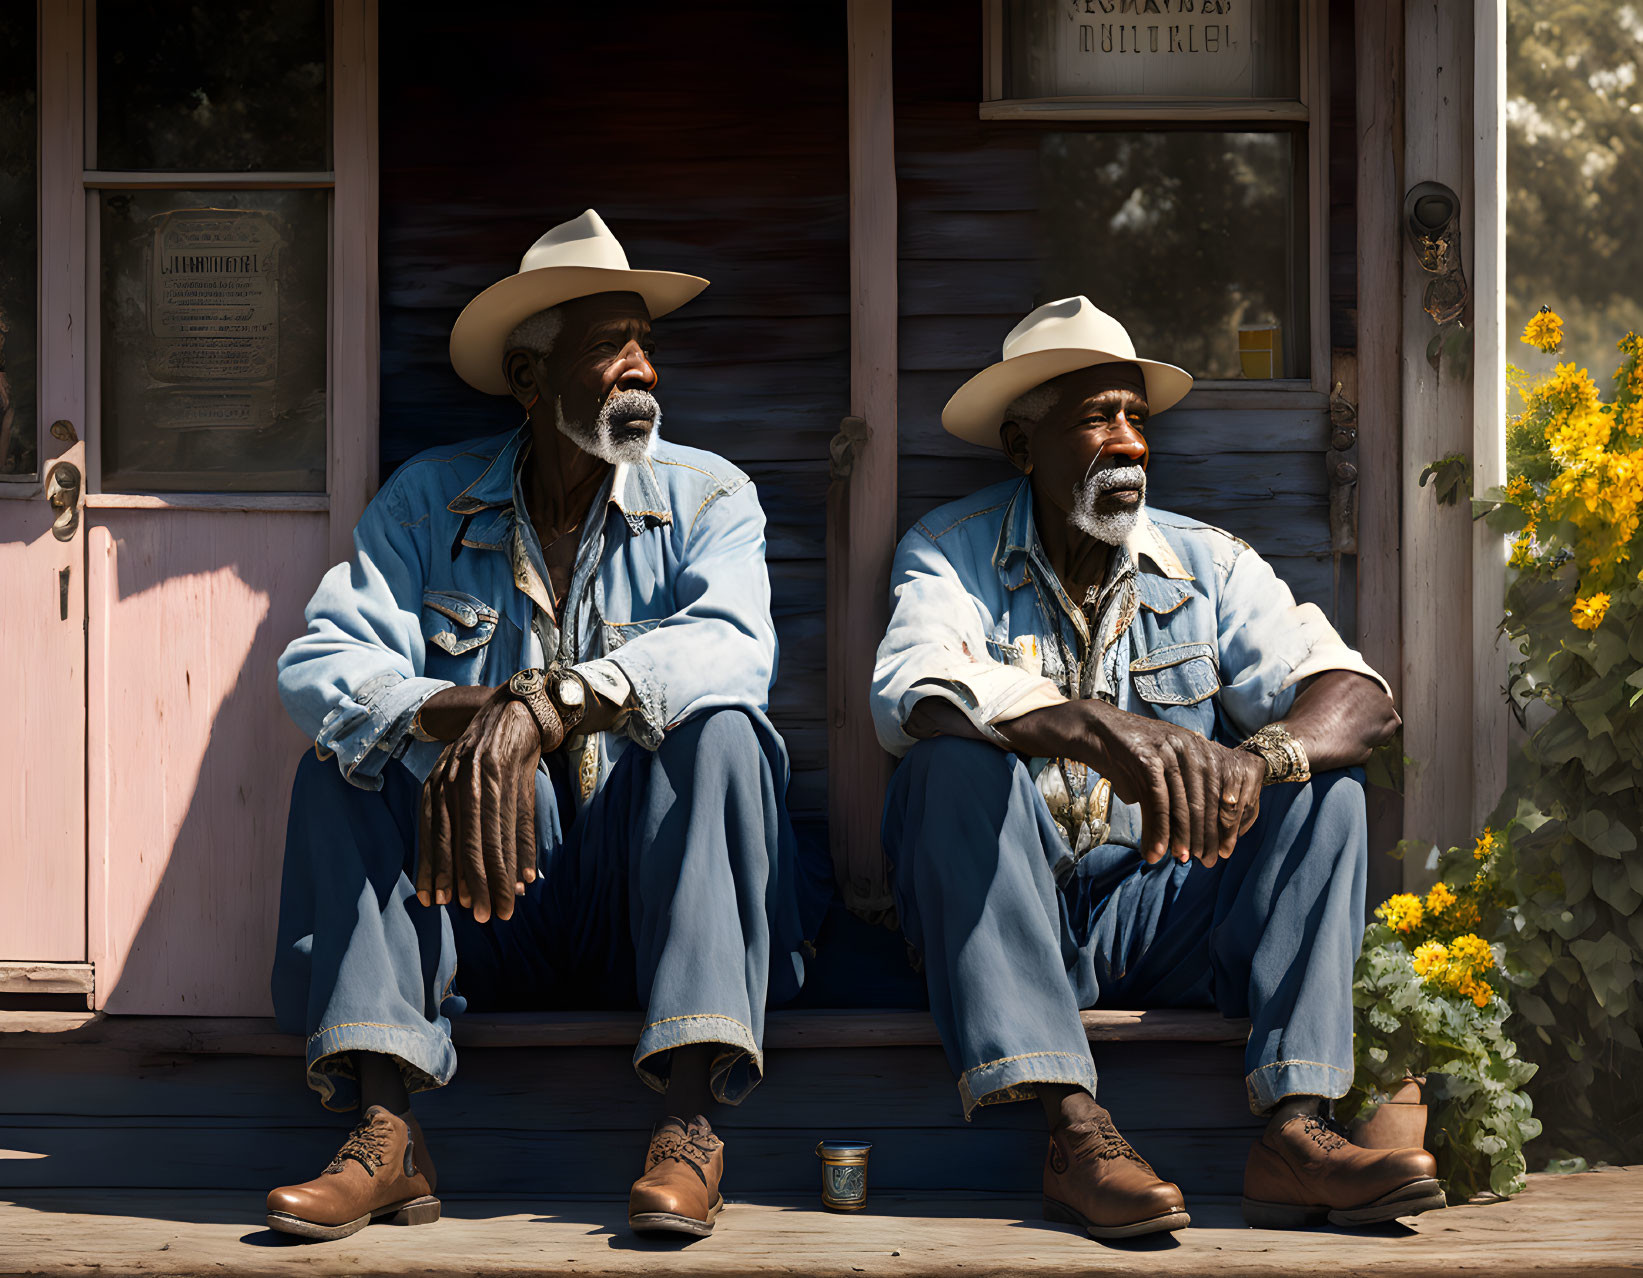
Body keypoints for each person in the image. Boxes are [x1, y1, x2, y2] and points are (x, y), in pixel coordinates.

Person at [267, 210, 823, 1242]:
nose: (639, 370)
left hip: (648, 906)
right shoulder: (428, 502)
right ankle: (387, 1128)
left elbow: (733, 649)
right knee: (345, 758)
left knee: (726, 734)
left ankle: (688, 1126)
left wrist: (550, 702)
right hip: (481, 896)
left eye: (645, 346)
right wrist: (466, 711)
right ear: (529, 379)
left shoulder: (710, 496)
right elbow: (320, 666)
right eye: (609, 347)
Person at [871, 296, 1443, 1239]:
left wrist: (1257, 759)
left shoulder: (1206, 562)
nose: (1128, 442)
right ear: (1023, 446)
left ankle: (1295, 1132)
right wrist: (1093, 728)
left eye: (1137, 418)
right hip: (1002, 907)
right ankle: (1075, 1131)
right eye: (1097, 418)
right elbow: (915, 690)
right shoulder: (949, 550)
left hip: (1155, 907)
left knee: (1325, 788)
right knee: (947, 769)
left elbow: (1357, 696)